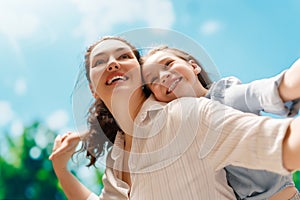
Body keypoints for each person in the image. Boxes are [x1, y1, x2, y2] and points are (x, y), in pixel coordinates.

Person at [50, 36, 300, 200]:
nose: (113, 63)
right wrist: (61, 170)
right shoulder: (117, 161)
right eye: (101, 61)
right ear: (93, 88)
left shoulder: (188, 114)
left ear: (139, 74)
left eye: (124, 56)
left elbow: (282, 143)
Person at [140, 45, 300, 200]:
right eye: (153, 80)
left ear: (193, 66)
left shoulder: (224, 96)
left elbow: (265, 91)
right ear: (156, 99)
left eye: (168, 64)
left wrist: (288, 86)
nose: (163, 76)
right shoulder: (181, 134)